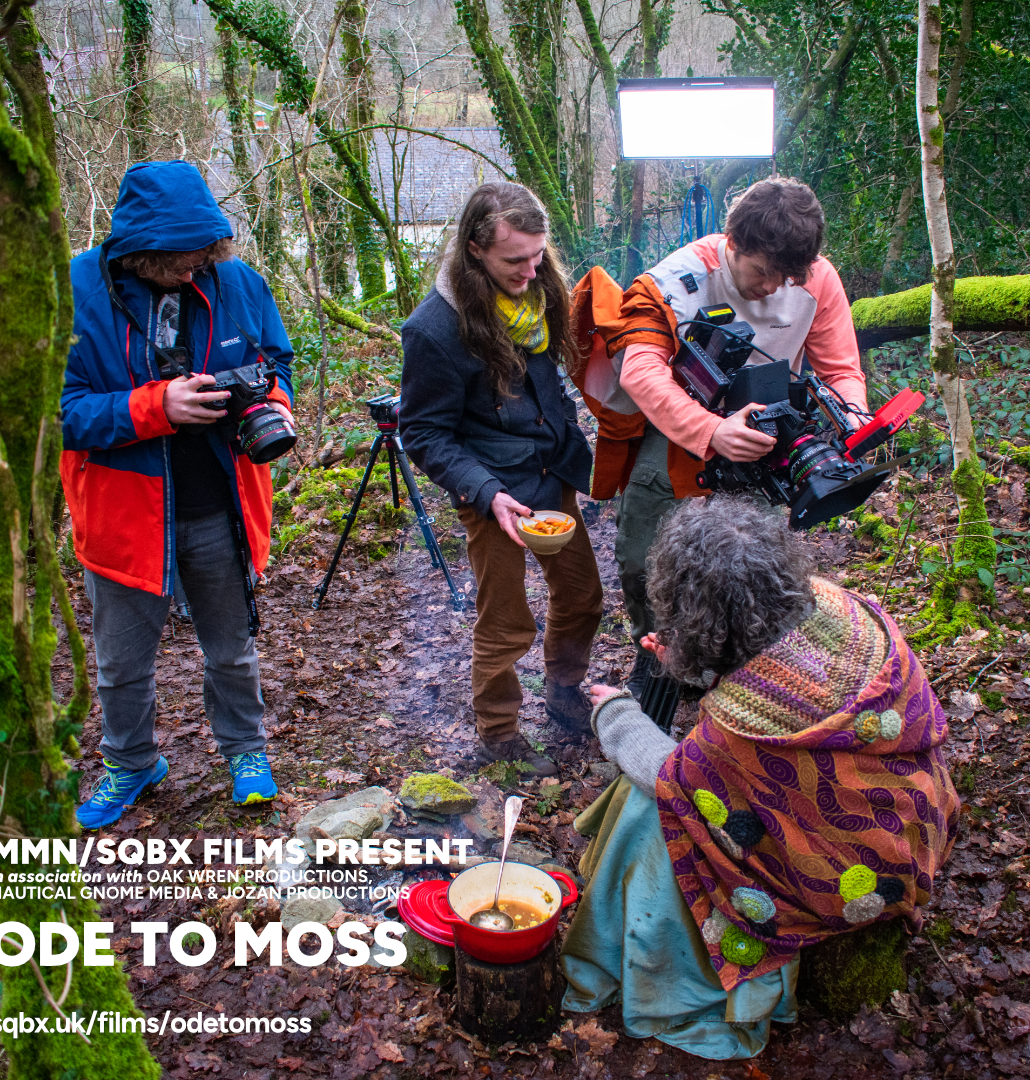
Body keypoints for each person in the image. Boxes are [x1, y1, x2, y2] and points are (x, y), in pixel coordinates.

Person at [559, 495, 959, 1058]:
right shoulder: (847, 610)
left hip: (849, 870)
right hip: (915, 816)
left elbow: (673, 775)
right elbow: (768, 673)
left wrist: (615, 712)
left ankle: (653, 960)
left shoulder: (742, 730)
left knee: (648, 808)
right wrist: (692, 660)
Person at [61, 160, 295, 828]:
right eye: (180, 262)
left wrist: (269, 401)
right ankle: (130, 762)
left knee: (230, 647)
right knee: (122, 664)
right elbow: (58, 410)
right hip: (123, 515)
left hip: (221, 503)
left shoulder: (238, 282)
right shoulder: (76, 291)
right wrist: (155, 406)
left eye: (203, 258)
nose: (194, 273)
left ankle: (246, 751)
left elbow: (277, 359)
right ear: (140, 250)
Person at [589, 178, 869, 695]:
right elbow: (641, 372)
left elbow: (841, 367)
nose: (772, 287)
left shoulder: (817, 281)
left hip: (765, 434)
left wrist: (853, 422)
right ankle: (662, 662)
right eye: (763, 272)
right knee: (643, 555)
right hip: (681, 430)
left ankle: (747, 678)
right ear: (733, 242)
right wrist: (712, 431)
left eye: (788, 277)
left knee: (753, 566)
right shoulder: (674, 281)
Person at [399, 183, 603, 777]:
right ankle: (500, 730)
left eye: (538, 257)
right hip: (491, 490)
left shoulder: (540, 293)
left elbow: (555, 381)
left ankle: (564, 689)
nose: (531, 270)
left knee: (583, 596)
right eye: (515, 260)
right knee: (507, 618)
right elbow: (425, 434)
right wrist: (487, 494)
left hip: (551, 470)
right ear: (475, 250)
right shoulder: (435, 329)